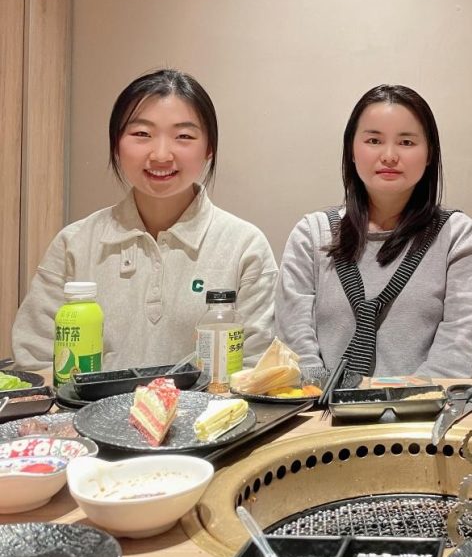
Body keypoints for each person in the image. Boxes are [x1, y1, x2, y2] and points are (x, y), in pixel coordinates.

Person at [13, 69, 277, 370]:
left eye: (184, 136)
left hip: (209, 404)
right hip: (83, 404)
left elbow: (257, 369)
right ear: (116, 143)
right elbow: (35, 360)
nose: (161, 155)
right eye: (141, 134)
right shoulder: (74, 243)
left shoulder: (244, 246)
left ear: (209, 148)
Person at [275, 84, 472, 379]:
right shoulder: (311, 235)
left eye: (406, 142)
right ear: (351, 150)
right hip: (320, 405)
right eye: (374, 140)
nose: (389, 156)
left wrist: (398, 401)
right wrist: (327, 399)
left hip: (426, 406)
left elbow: (455, 353)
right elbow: (295, 348)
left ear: (429, 154)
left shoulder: (458, 236)